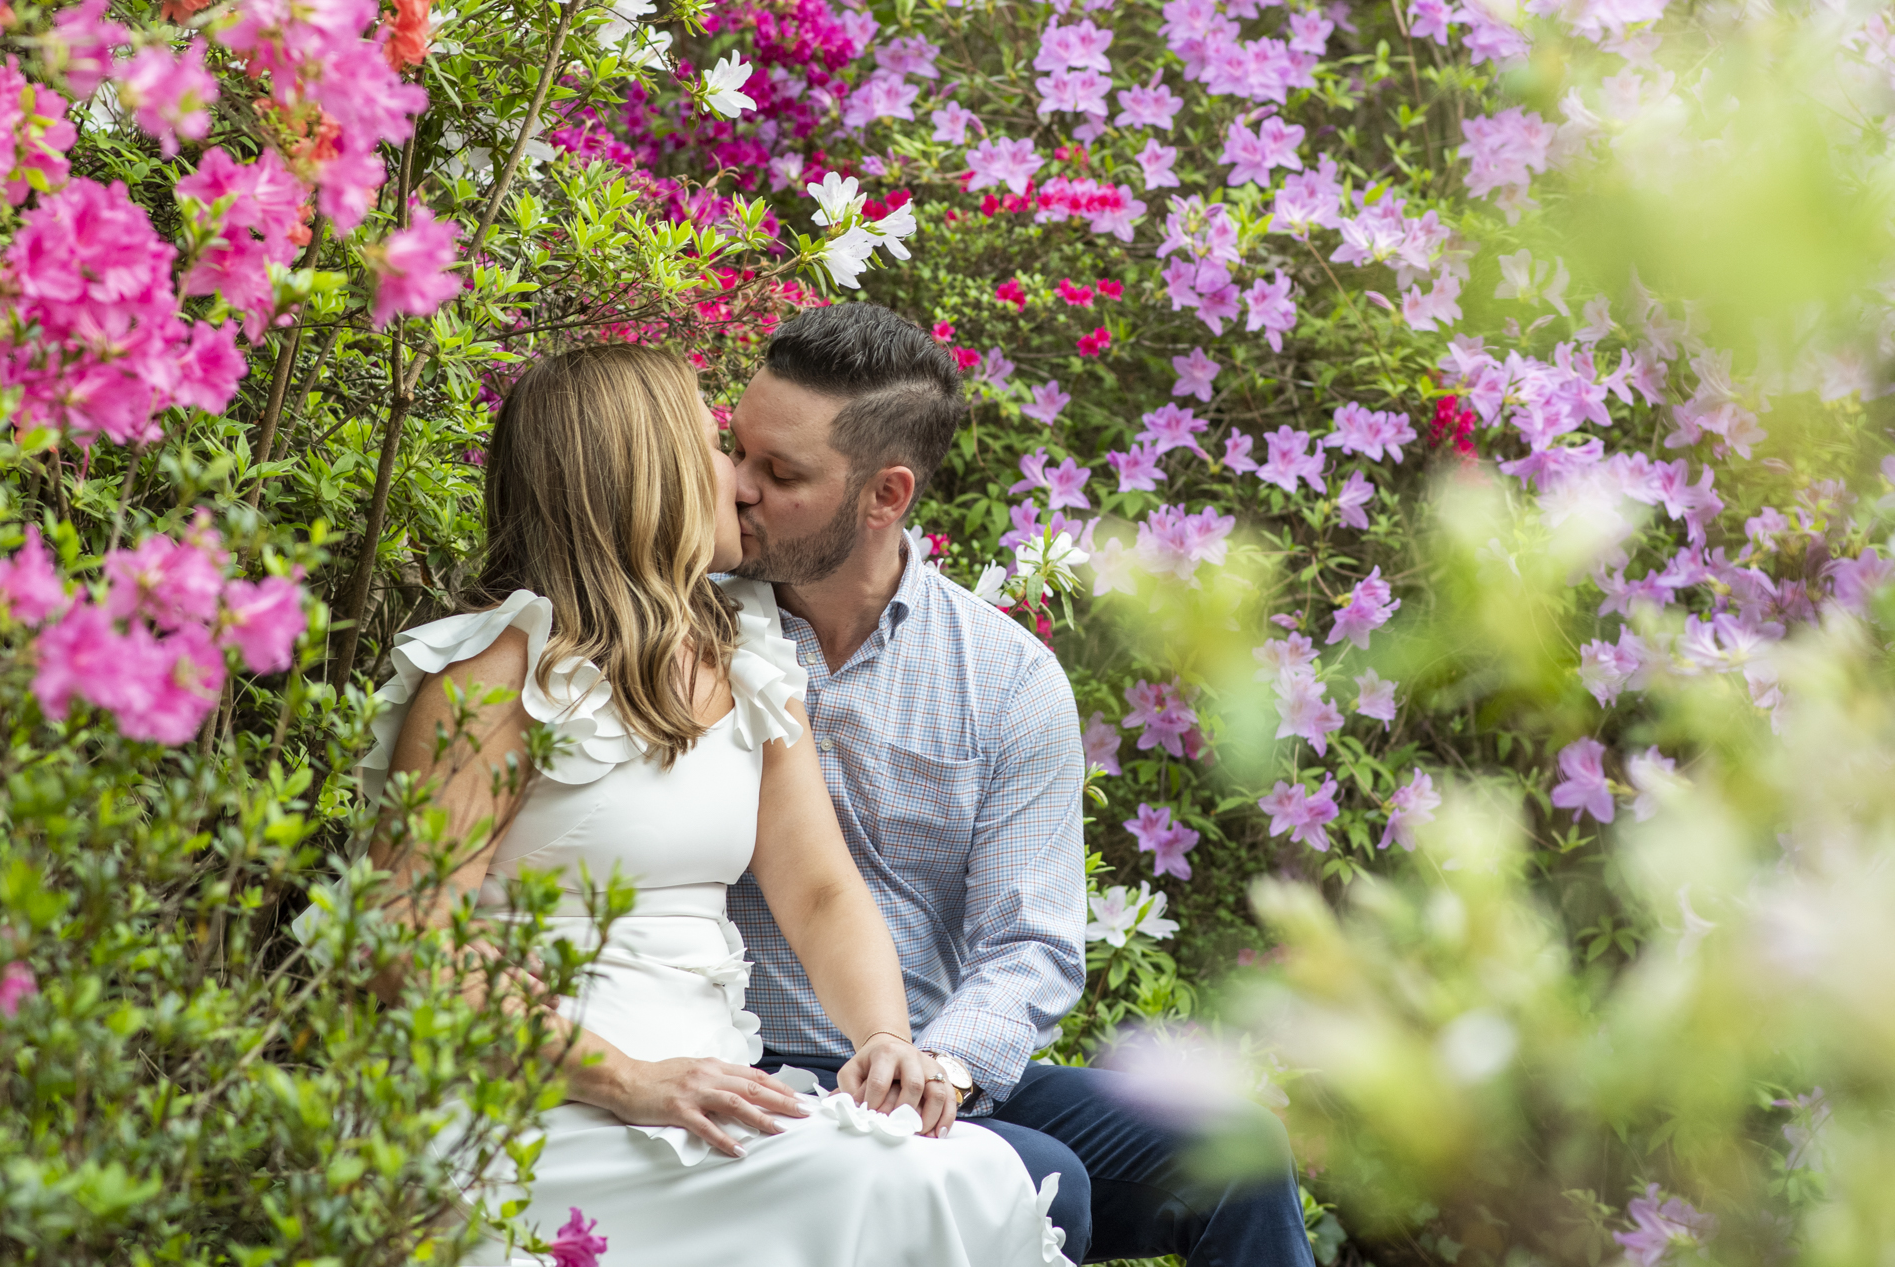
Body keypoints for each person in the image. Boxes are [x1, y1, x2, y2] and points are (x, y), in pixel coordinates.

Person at [329, 344, 1072, 1266]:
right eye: (718, 445)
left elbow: (821, 891)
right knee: (935, 1184)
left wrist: (884, 1038)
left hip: (709, 1091)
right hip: (536, 1100)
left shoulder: (749, 654)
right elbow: (400, 942)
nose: (739, 479)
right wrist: (627, 1079)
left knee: (963, 1175)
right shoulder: (493, 677)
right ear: (647, 477)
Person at [723, 303, 1319, 1267]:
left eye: (780, 473)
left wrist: (941, 1066)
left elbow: (1031, 941)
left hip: (942, 1069)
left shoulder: (1006, 676)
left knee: (1239, 1151)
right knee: (1045, 1175)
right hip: (751, 1056)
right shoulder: (688, 632)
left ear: (886, 495)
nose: (738, 489)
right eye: (736, 449)